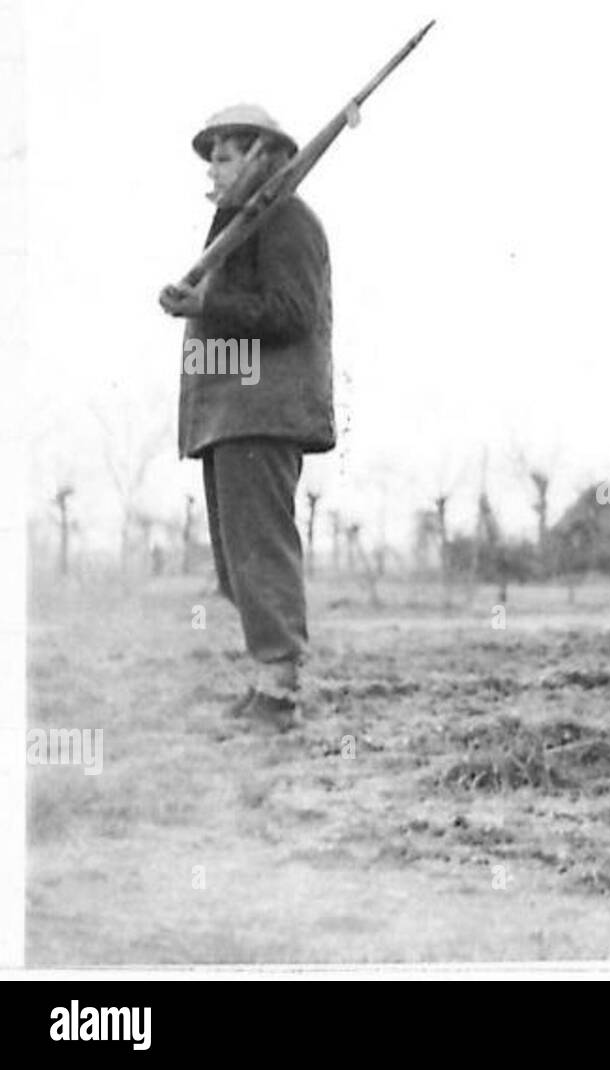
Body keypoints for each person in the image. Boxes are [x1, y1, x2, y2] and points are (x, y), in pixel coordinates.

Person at [159, 104, 334, 732]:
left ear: (262, 155)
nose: (213, 167)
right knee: (239, 561)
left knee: (261, 551)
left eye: (226, 154)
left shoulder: (287, 220)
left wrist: (209, 303)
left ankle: (280, 693)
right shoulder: (242, 227)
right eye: (210, 155)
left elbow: (292, 312)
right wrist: (196, 306)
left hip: (262, 412)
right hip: (230, 415)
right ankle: (268, 682)